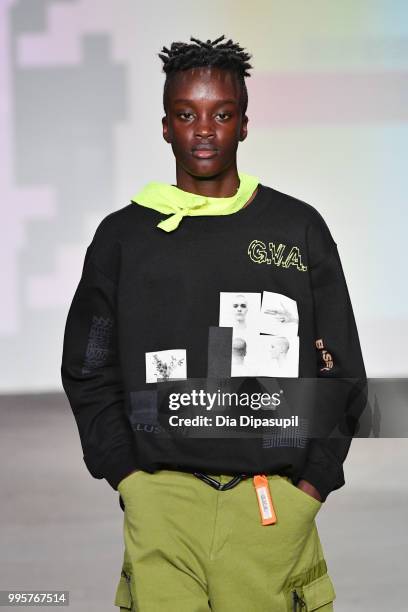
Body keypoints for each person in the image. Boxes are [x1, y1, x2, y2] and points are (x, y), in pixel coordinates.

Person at [61, 34, 366, 611]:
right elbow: (88, 367)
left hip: (272, 508)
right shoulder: (123, 238)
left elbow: (342, 371)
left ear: (245, 125)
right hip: (162, 506)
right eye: (186, 114)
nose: (204, 129)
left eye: (222, 114)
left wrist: (310, 488)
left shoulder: (296, 230)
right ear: (166, 126)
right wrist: (128, 476)